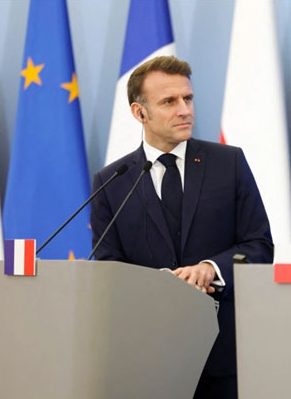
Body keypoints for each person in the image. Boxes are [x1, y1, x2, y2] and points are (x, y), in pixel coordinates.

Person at [90, 56, 273, 398]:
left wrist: (210, 268)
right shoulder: (113, 181)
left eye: (187, 99)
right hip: (146, 357)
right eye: (169, 102)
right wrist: (159, 285)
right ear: (138, 112)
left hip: (223, 355)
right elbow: (107, 269)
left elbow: (260, 246)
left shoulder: (228, 163)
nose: (184, 110)